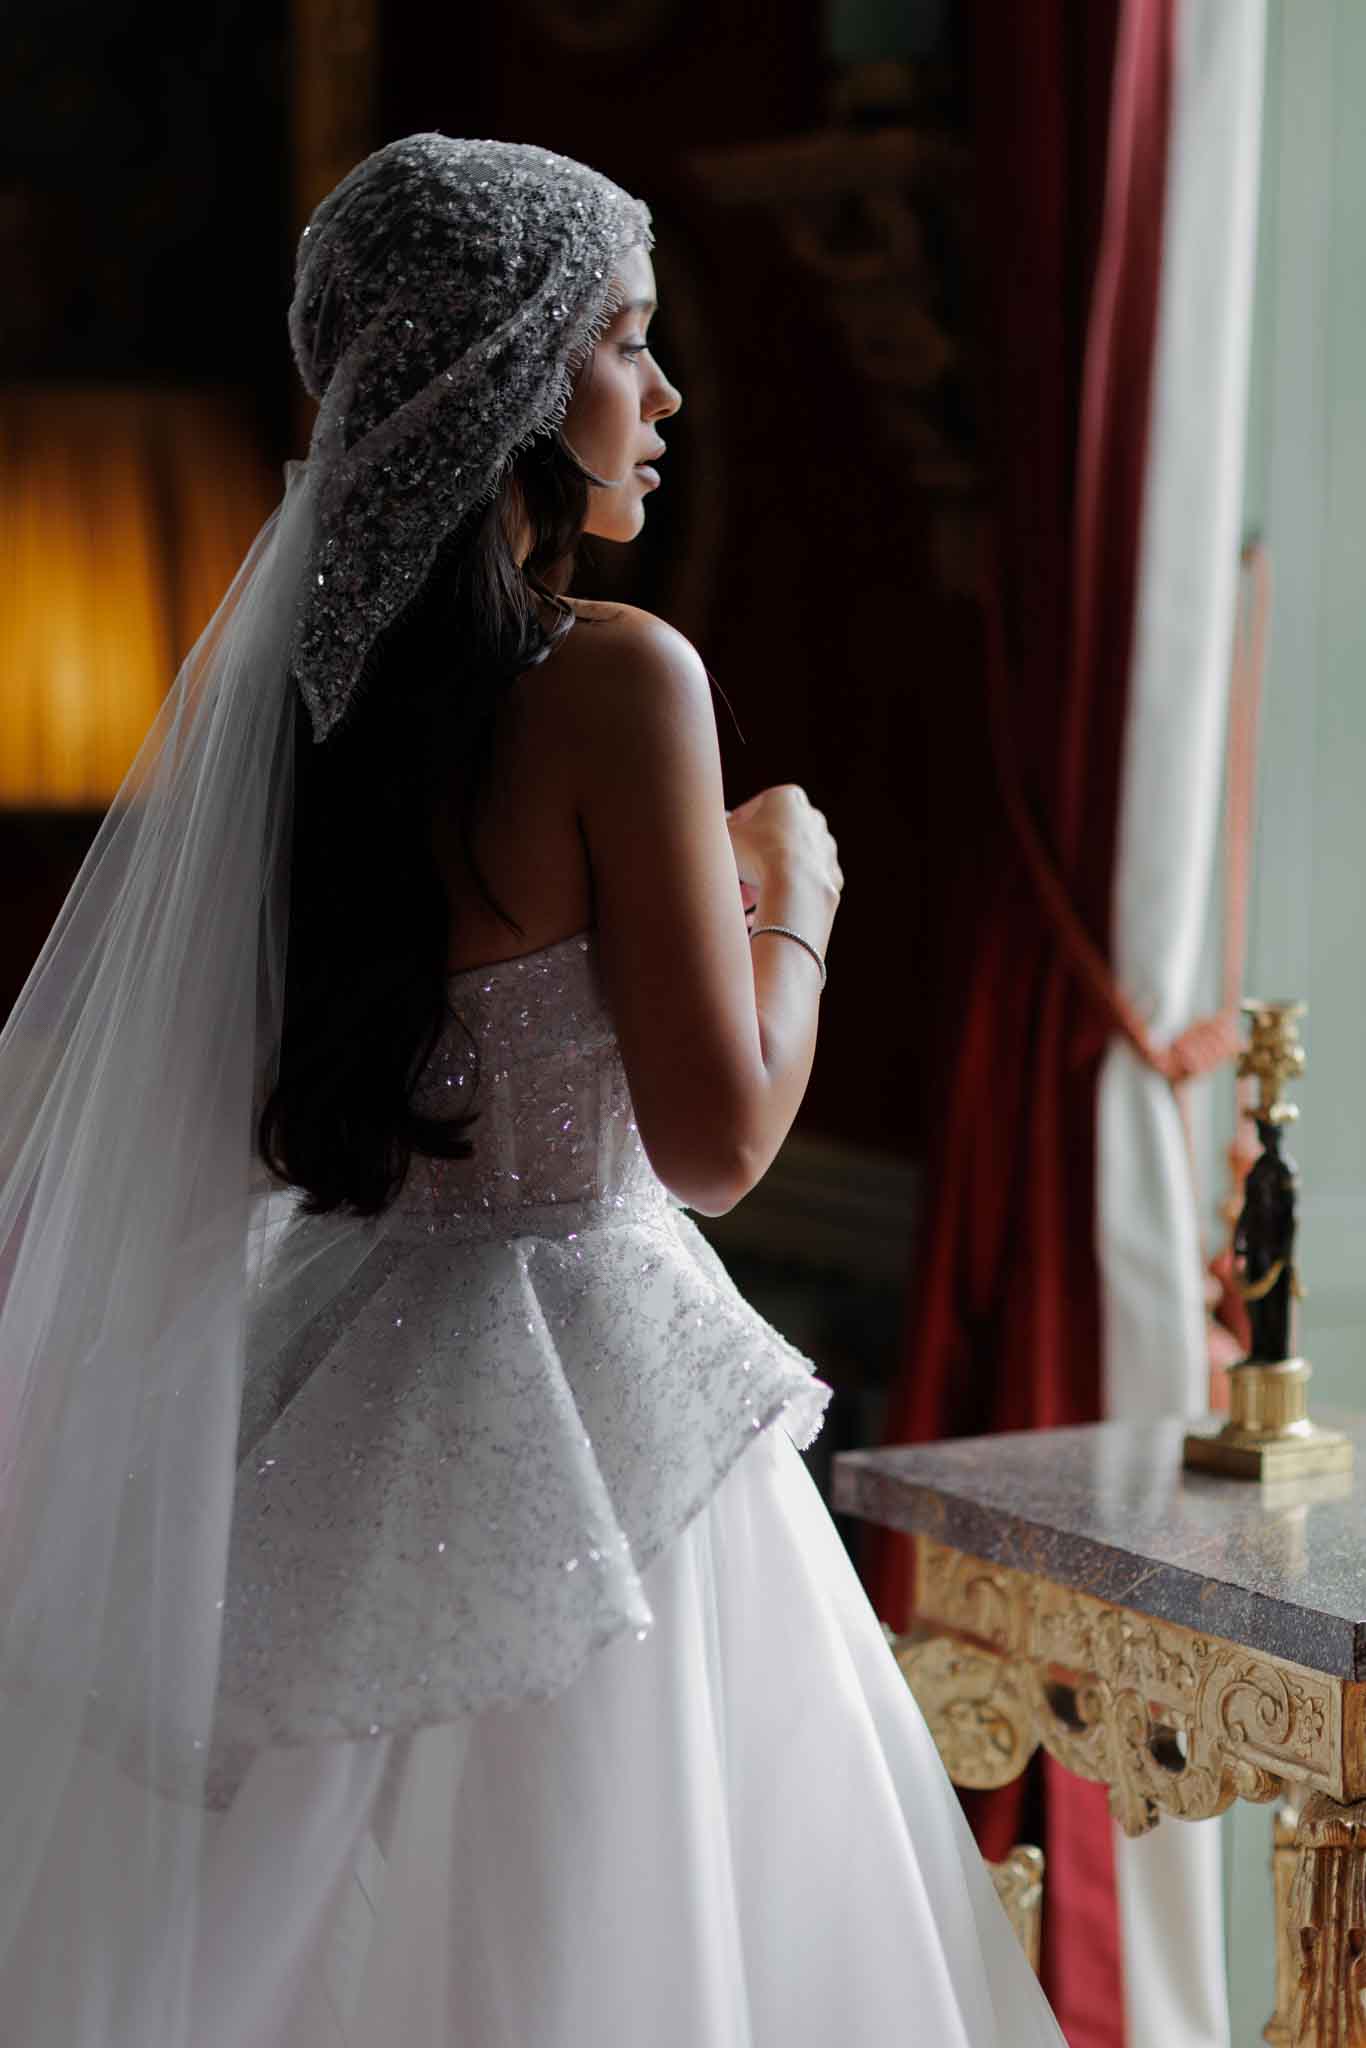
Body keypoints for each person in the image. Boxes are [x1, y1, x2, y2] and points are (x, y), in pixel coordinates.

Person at [0, 134, 1065, 2046]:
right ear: (508, 377)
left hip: (332, 1369)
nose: (662, 398)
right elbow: (724, 1145)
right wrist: (796, 895)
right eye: (628, 342)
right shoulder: (618, 681)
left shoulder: (297, 711)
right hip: (592, 1393)